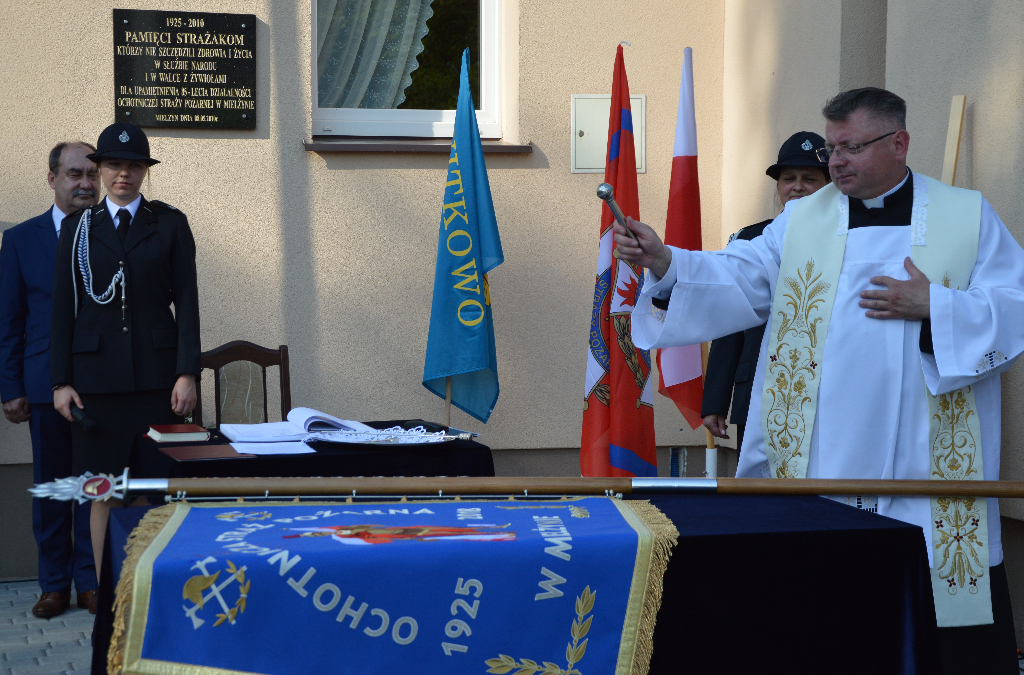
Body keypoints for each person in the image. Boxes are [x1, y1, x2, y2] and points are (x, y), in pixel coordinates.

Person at [616, 88, 1023, 672]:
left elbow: (1014, 306)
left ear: (899, 143)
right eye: (832, 148)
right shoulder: (802, 220)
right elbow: (739, 277)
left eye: (850, 147)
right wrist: (666, 262)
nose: (835, 163)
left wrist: (937, 307)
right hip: (819, 458)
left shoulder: (967, 214)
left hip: (923, 461)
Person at [50, 123, 201, 578]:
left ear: (144, 172)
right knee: (103, 491)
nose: (123, 174)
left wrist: (187, 372)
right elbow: (62, 310)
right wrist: (61, 381)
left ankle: (155, 587)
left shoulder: (170, 224)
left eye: (134, 165)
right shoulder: (78, 229)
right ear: (100, 169)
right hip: (97, 384)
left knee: (156, 490)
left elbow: (189, 302)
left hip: (158, 381)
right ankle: (106, 591)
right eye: (114, 164)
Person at [0, 142, 100, 618]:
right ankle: (54, 584)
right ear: (52, 178)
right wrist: (11, 387)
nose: (85, 183)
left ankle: (91, 581)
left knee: (94, 486)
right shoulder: (21, 241)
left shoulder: (110, 234)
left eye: (92, 175)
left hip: (103, 385)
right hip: (43, 386)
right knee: (53, 488)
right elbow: (9, 321)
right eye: (75, 174)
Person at [701, 132, 830, 453]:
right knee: (759, 493)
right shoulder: (751, 239)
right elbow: (729, 319)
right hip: (758, 388)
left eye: (809, 178)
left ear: (830, 186)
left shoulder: (849, 237)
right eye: (789, 178)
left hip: (825, 389)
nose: (797, 186)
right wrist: (716, 398)